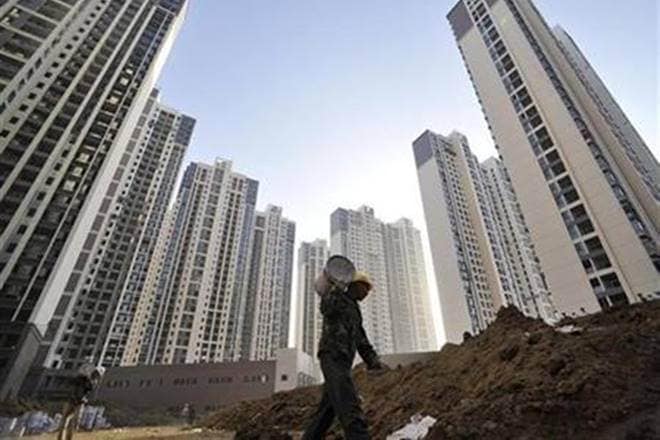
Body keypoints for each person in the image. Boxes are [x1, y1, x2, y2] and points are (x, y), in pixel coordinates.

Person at [302, 271, 388, 439]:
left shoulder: (355, 310)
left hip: (343, 360)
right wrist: (336, 287)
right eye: (365, 287)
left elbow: (360, 338)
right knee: (348, 402)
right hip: (332, 355)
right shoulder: (337, 297)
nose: (367, 292)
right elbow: (326, 308)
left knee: (327, 410)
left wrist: (372, 360)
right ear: (354, 285)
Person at [58, 364, 105, 440]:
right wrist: (84, 376)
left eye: (97, 374)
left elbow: (89, 387)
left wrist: (88, 378)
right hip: (71, 400)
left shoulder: (92, 382)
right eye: (95, 373)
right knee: (65, 420)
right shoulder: (81, 378)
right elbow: (74, 383)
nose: (96, 375)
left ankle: (68, 438)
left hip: (79, 402)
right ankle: (60, 438)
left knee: (75, 422)